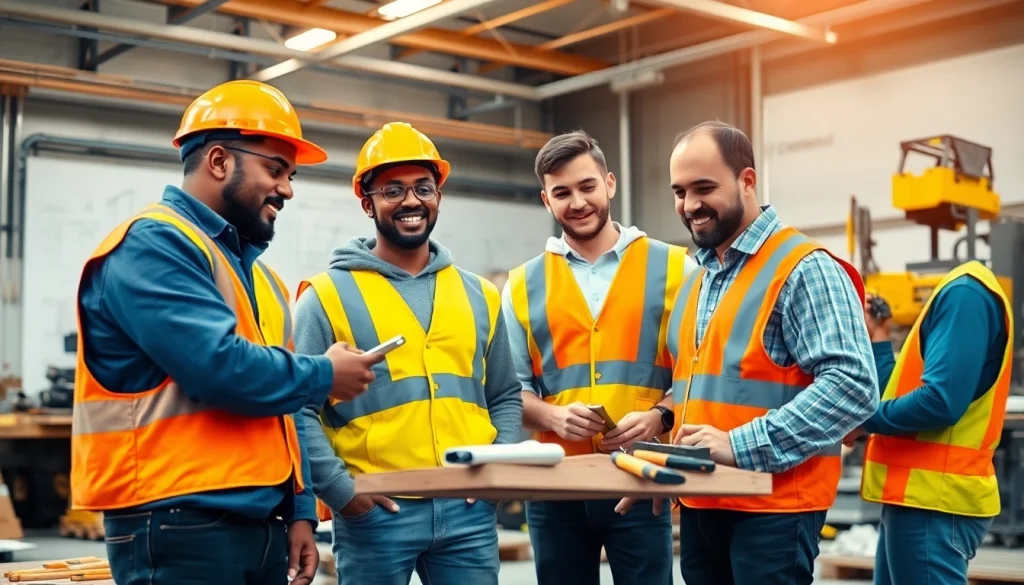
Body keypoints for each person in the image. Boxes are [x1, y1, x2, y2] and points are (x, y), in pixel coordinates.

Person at [70, 80, 385, 585]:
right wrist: (325, 374)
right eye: (275, 170)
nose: (288, 189)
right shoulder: (152, 244)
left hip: (258, 523)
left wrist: (299, 510)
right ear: (218, 161)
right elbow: (217, 367)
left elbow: (284, 409)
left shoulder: (261, 279)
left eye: (290, 175)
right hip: (176, 521)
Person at [293, 121, 524, 585]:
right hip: (375, 512)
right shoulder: (324, 296)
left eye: (423, 187)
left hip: (468, 511)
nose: (411, 201)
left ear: (439, 195)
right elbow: (298, 407)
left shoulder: (481, 295)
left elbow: (504, 394)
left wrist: (495, 470)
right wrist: (342, 493)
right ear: (367, 202)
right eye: (393, 190)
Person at [664, 120, 879, 585]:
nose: (690, 205)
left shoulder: (804, 267)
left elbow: (854, 386)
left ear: (747, 181)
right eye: (679, 192)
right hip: (701, 501)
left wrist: (739, 446)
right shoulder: (697, 280)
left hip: (773, 509)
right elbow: (702, 389)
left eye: (704, 188)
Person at [502, 129, 697, 585]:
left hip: (640, 478)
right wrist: (553, 416)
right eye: (561, 193)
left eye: (587, 186)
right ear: (546, 200)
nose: (577, 202)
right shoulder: (521, 285)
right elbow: (510, 392)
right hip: (555, 485)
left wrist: (659, 418)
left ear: (609, 183)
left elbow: (697, 374)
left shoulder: (678, 269)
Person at [849, 261, 1012, 585]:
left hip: (934, 501)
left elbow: (940, 402)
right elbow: (893, 395)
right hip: (917, 500)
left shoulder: (964, 296)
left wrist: (863, 421)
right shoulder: (957, 296)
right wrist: (879, 337)